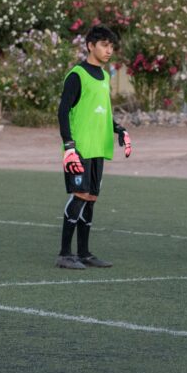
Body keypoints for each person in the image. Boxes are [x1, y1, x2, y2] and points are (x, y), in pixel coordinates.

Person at [56, 26, 131, 270]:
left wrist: (119, 129)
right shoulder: (77, 74)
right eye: (104, 45)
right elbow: (63, 111)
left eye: (111, 46)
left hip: (99, 148)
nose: (109, 50)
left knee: (91, 198)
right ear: (90, 46)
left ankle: (84, 252)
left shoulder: (105, 75)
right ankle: (65, 254)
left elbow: (102, 111)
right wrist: (69, 146)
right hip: (80, 149)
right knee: (79, 196)